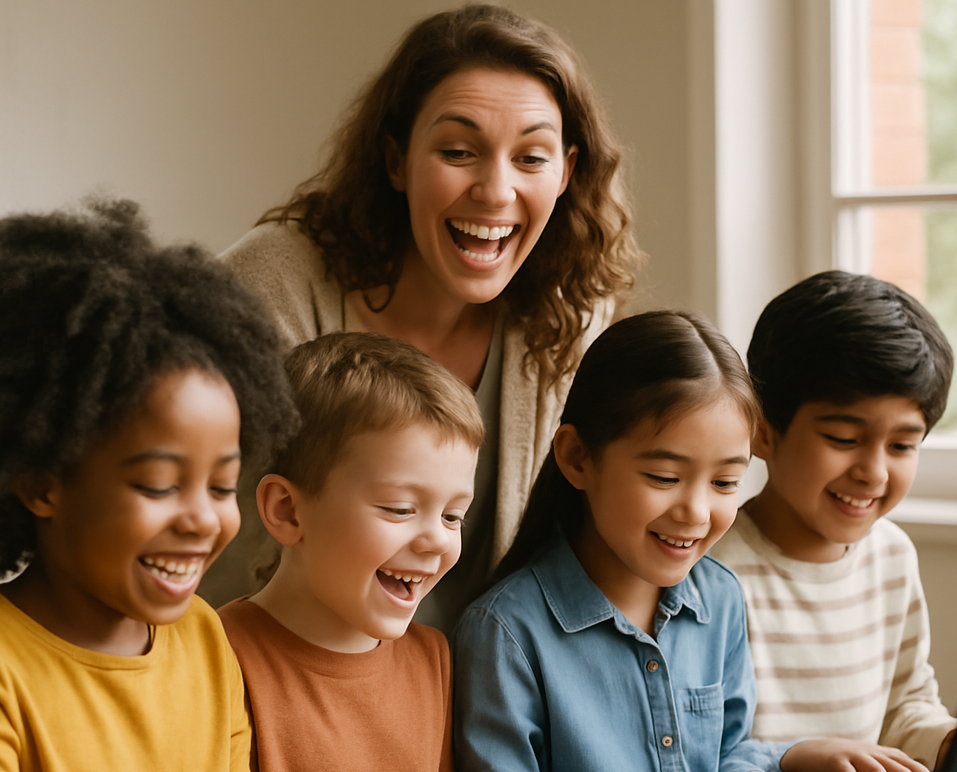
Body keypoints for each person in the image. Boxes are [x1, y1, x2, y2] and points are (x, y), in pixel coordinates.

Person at [0, 201, 472, 772]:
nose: (203, 520)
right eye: (160, 485)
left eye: (222, 483)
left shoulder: (197, 635)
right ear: (42, 481)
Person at [201, 4, 639, 631]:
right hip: (248, 665)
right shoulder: (268, 288)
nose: (495, 191)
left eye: (531, 158)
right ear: (396, 159)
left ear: (568, 171)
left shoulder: (571, 314)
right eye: (459, 151)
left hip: (464, 682)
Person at [218, 332, 632, 772]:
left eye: (453, 516)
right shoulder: (217, 658)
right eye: (399, 508)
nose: (437, 541)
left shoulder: (431, 658)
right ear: (287, 510)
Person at [451, 312, 872, 772]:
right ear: (577, 458)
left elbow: (726, 753)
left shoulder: (719, 597)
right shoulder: (505, 631)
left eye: (725, 482)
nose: (696, 512)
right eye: (665, 477)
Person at [711, 270, 957, 772]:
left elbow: (903, 711)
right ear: (762, 431)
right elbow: (694, 755)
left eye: (902, 445)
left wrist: (950, 743)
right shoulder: (709, 573)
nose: (874, 473)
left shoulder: (892, 556)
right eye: (844, 438)